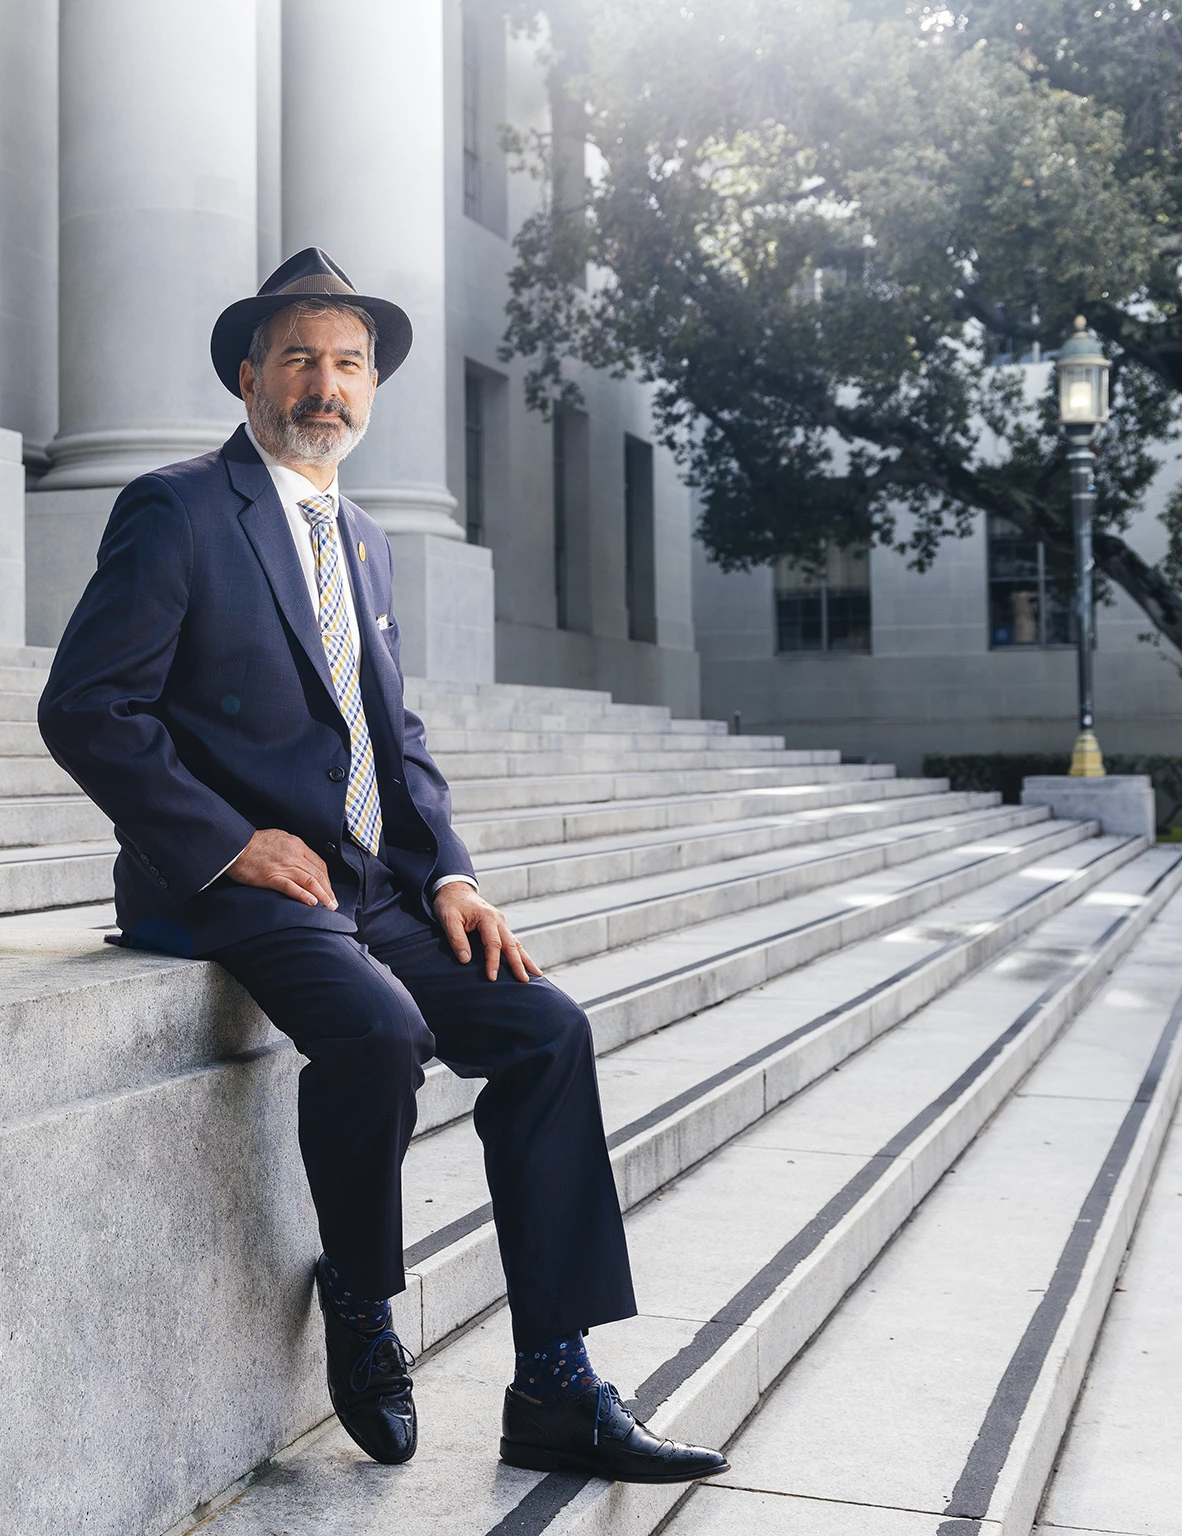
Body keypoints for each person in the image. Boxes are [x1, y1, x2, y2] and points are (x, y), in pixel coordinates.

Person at [36, 248, 729, 1484]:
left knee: (546, 1028)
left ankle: (557, 1384)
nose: (325, 384)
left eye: (348, 363)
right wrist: (227, 839)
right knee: (379, 1033)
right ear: (250, 377)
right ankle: (360, 1291)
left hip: (371, 883)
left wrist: (451, 875)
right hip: (237, 884)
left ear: (371, 390)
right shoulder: (180, 508)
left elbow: (389, 737)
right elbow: (89, 707)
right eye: (299, 357)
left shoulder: (362, 536)